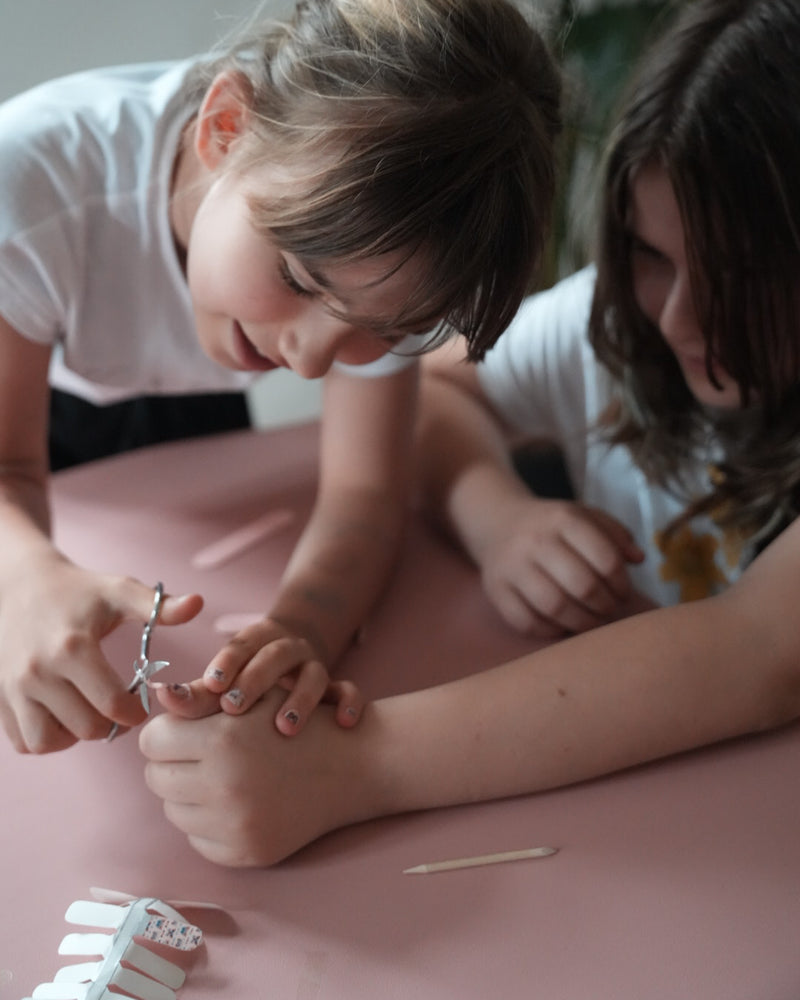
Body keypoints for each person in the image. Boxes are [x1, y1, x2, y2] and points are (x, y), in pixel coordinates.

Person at [141, 0, 800, 868]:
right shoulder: (614, 333)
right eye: (650, 255)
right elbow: (445, 395)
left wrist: (349, 767)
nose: (681, 318)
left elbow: (757, 654)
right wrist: (499, 519)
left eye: (745, 273)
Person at [0, 0, 561, 755]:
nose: (310, 358)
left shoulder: (407, 258)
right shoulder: (30, 185)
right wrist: (21, 575)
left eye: (386, 333)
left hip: (191, 401)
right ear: (224, 129)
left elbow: (366, 494)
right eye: (299, 279)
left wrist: (300, 629)